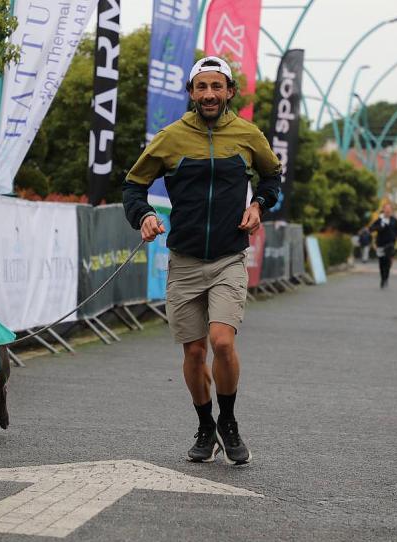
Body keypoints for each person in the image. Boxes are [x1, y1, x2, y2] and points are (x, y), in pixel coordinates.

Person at [122, 56, 282, 465]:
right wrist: (144, 215)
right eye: (201, 87)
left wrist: (260, 205)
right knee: (193, 352)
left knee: (221, 341)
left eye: (217, 86)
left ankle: (228, 422)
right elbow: (133, 187)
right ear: (191, 93)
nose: (209, 94)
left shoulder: (248, 135)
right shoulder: (170, 138)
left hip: (229, 256)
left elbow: (272, 177)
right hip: (185, 258)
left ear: (230, 92)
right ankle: (205, 425)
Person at [368, 203, 397, 288]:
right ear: (384, 210)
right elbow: (371, 229)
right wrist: (379, 227)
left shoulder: (394, 220)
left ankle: (386, 278)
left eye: (389, 209)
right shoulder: (379, 220)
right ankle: (382, 278)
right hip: (381, 244)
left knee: (388, 261)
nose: (388, 211)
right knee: (381, 262)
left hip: (390, 244)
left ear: (391, 210)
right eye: (386, 209)